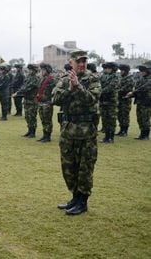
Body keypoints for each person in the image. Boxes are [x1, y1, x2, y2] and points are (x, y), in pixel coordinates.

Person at [52, 50, 101, 215]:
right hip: (67, 131)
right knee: (69, 167)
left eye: (84, 61)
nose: (82, 64)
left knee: (85, 168)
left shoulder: (93, 79)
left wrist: (78, 87)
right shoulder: (64, 79)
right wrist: (70, 88)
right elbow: (55, 99)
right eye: (78, 61)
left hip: (86, 132)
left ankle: (83, 202)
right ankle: (74, 197)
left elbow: (92, 99)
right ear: (71, 62)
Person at [14, 64, 40, 137]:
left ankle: (33, 132)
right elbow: (23, 85)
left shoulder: (36, 78)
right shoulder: (28, 77)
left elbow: (28, 87)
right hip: (27, 99)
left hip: (32, 100)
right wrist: (19, 91)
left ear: (35, 70)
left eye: (31, 69)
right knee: (27, 116)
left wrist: (18, 92)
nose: (29, 71)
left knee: (32, 116)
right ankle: (29, 130)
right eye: (29, 69)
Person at [126, 64, 151, 140]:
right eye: (141, 71)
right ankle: (142, 134)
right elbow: (137, 89)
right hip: (140, 101)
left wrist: (133, 93)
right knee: (140, 118)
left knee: (145, 118)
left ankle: (146, 135)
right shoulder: (141, 79)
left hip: (146, 102)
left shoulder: (149, 79)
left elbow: (143, 88)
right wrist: (131, 95)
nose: (141, 73)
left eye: (143, 71)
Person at [99, 62, 120, 143]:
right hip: (103, 101)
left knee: (111, 120)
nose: (106, 69)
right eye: (106, 68)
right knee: (105, 119)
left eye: (108, 68)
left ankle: (111, 138)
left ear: (112, 69)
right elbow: (99, 84)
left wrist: (99, 91)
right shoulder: (103, 76)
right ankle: (106, 137)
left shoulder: (115, 77)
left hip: (111, 101)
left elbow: (110, 88)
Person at [36, 63, 57, 142]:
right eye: (42, 69)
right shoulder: (43, 79)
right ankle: (44, 135)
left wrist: (51, 100)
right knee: (43, 119)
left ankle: (48, 136)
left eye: (43, 70)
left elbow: (55, 90)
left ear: (48, 70)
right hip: (41, 102)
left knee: (47, 120)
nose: (42, 71)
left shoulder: (51, 79)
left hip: (47, 102)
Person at [116, 64, 134, 136]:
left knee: (124, 115)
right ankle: (121, 130)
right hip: (120, 99)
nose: (121, 72)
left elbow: (125, 89)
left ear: (126, 71)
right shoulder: (121, 78)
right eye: (120, 70)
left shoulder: (130, 79)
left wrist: (116, 91)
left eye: (122, 70)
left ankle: (125, 131)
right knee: (120, 115)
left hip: (125, 100)